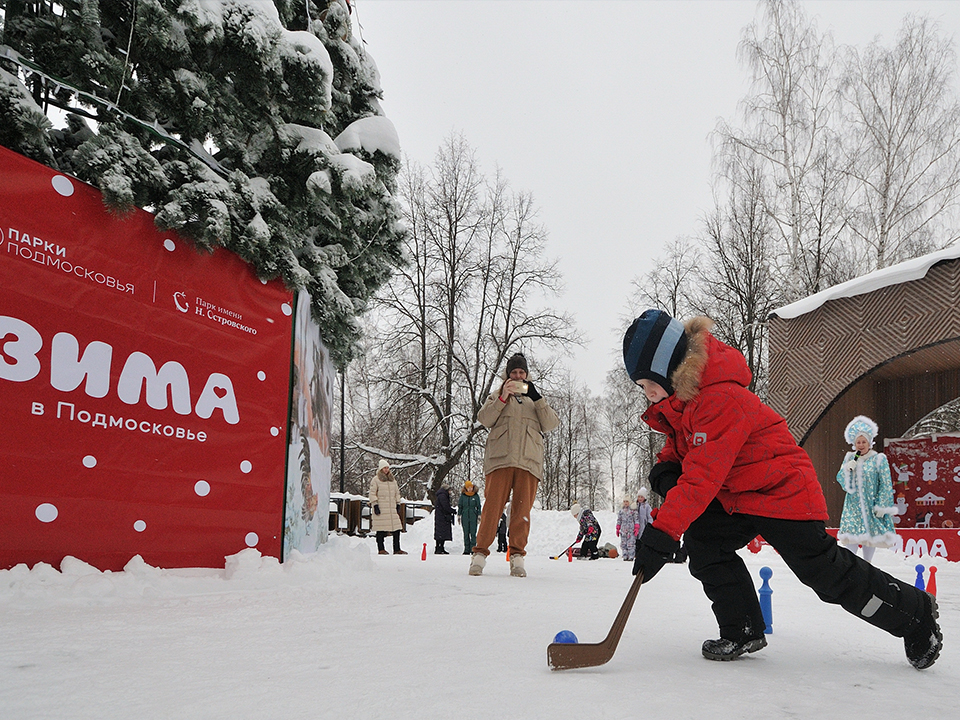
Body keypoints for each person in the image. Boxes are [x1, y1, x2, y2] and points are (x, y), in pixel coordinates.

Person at [623, 309, 942, 669]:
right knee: (705, 543)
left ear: (672, 367)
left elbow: (701, 477)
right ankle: (742, 628)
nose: (648, 393)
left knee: (823, 574)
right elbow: (683, 447)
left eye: (650, 383)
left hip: (781, 490)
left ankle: (914, 613)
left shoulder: (719, 397)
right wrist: (667, 468)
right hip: (738, 497)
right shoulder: (684, 401)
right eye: (641, 387)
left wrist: (662, 532)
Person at [469, 352, 559, 578]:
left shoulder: (535, 401)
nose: (518, 376)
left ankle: (517, 557)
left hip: (528, 463)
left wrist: (539, 399)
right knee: (492, 509)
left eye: (522, 372)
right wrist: (502, 398)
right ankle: (479, 555)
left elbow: (550, 424)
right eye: (514, 372)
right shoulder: (497, 395)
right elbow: (484, 419)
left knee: (522, 513)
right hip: (500, 461)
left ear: (526, 375)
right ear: (507, 375)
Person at [836, 415, 898, 563]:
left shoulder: (878, 459)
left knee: (869, 536)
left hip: (871, 504)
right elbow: (842, 482)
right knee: (851, 536)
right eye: (858, 442)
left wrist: (882, 505)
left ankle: (867, 564)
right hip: (853, 506)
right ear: (854, 443)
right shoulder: (849, 458)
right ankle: (852, 566)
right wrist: (847, 470)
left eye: (864, 442)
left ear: (870, 443)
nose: (861, 445)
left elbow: (885, 484)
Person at [369, 459, 407, 555]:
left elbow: (397, 492)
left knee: (397, 528)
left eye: (387, 468)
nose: (386, 470)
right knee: (381, 529)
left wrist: (398, 503)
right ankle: (381, 549)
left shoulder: (393, 481)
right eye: (384, 468)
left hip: (391, 509)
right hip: (381, 508)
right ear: (381, 469)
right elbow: (372, 493)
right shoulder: (376, 480)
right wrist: (375, 505)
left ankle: (397, 549)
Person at [458, 480, 482, 555]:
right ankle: (466, 549)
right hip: (465, 515)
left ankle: (473, 548)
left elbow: (478, 506)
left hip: (473, 516)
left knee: (473, 533)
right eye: (468, 488)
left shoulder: (476, 496)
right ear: (465, 488)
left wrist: (479, 515)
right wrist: (459, 515)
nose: (470, 489)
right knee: (466, 533)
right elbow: (460, 506)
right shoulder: (463, 496)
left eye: (471, 487)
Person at [433, 484, 455, 554]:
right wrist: (452, 510)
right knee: (441, 533)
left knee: (441, 533)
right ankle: (439, 548)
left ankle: (440, 547)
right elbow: (445, 506)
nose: (450, 492)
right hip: (442, 517)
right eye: (450, 490)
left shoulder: (442, 495)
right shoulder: (443, 496)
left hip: (441, 516)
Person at [616, 497, 639, 562]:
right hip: (623, 530)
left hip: (631, 530)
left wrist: (636, 528)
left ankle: (631, 556)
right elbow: (619, 520)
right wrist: (618, 528)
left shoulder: (633, 511)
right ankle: (625, 555)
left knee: (631, 543)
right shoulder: (621, 511)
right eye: (624, 501)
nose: (625, 503)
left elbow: (636, 519)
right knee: (624, 544)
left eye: (627, 501)